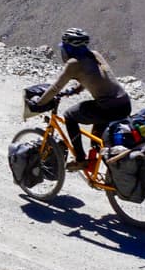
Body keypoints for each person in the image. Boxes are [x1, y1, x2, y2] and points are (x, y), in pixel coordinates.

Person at [33, 27, 131, 170]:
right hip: (124, 103)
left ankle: (80, 159)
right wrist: (75, 90)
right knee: (98, 141)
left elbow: (55, 88)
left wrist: (40, 102)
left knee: (69, 116)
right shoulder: (95, 55)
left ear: (68, 47)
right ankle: (112, 176)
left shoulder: (73, 64)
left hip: (107, 107)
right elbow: (95, 76)